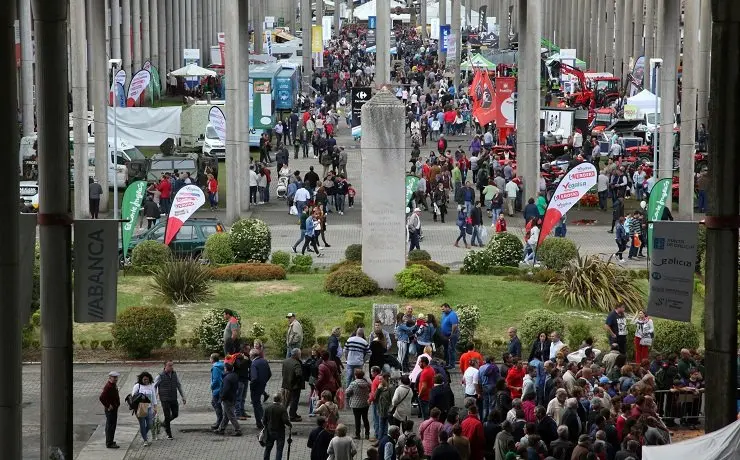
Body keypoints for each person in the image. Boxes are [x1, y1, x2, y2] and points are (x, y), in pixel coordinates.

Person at [154, 361, 187, 440]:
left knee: (175, 414)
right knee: (167, 415)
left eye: (172, 365)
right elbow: (154, 386)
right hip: (164, 399)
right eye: (169, 365)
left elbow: (178, 385)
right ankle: (169, 433)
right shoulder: (160, 376)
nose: (171, 367)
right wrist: (154, 397)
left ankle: (164, 423)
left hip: (173, 398)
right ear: (165, 366)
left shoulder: (174, 374)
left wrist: (183, 396)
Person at [263, 393, 292, 460]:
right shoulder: (282, 409)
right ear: (281, 399)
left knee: (268, 449)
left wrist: (266, 426)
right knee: (279, 450)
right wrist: (289, 425)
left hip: (270, 431)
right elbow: (285, 420)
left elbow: (264, 420)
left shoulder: (267, 408)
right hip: (280, 432)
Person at [132, 372, 158, 446]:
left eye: (147, 379)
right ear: (141, 379)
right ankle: (145, 440)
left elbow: (154, 397)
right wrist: (136, 410)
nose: (146, 381)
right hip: (140, 409)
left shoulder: (151, 386)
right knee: (142, 424)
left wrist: (155, 407)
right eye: (144, 379)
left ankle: (143, 433)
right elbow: (133, 398)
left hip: (149, 408)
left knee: (150, 424)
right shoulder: (137, 386)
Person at [216, 362, 242, 436]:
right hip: (233, 397)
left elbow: (225, 390)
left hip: (227, 399)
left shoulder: (227, 378)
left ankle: (238, 430)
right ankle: (221, 429)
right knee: (226, 415)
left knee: (230, 415)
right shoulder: (235, 375)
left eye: (224, 368)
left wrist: (221, 398)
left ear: (226, 369)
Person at [346, 368, 372, 440]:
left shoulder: (353, 383)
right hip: (365, 404)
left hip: (356, 404)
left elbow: (347, 392)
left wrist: (351, 395)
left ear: (356, 375)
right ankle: (367, 434)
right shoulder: (366, 383)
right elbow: (370, 390)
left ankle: (358, 434)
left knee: (357, 420)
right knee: (365, 418)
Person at [251, 348, 272, 430]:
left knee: (256, 405)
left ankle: (260, 422)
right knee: (258, 403)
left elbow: (254, 378)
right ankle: (263, 421)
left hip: (256, 387)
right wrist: (264, 381)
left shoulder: (254, 364)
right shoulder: (264, 361)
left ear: (252, 356)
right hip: (262, 385)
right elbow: (269, 374)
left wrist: (252, 386)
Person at [281, 348, 304, 422]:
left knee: (285, 401)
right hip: (294, 386)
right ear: (297, 355)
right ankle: (292, 416)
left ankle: (289, 414)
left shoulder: (285, 361)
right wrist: (298, 382)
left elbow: (283, 372)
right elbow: (299, 375)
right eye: (300, 354)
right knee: (294, 401)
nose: (300, 355)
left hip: (285, 384)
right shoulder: (296, 363)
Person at [99, 371, 121, 449]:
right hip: (110, 410)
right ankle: (109, 443)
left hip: (114, 409)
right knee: (110, 426)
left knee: (111, 425)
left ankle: (110, 440)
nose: (116, 379)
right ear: (110, 378)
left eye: (116, 377)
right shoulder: (108, 386)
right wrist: (108, 406)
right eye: (114, 377)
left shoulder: (113, 385)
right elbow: (101, 397)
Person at [440, 303, 460, 369]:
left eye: (443, 309)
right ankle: (448, 363)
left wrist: (451, 334)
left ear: (447, 307)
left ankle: (452, 365)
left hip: (452, 335)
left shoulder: (452, 314)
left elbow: (454, 325)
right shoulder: (444, 314)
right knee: (446, 349)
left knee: (451, 349)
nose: (442, 310)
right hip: (445, 335)